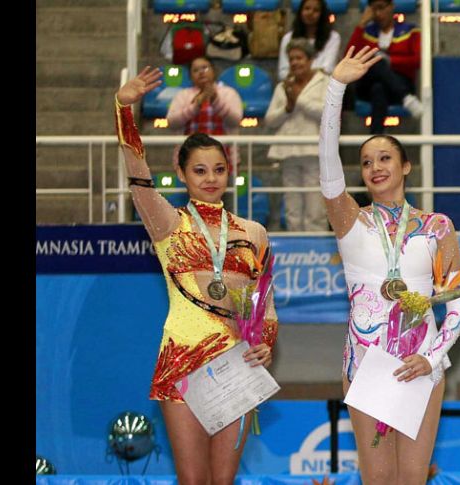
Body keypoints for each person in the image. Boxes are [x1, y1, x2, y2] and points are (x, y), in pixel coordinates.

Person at [115, 67, 278, 484]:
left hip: (236, 363)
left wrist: (265, 344)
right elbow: (137, 173)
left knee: (223, 481)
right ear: (183, 173)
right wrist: (123, 109)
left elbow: (264, 305)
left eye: (218, 169)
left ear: (230, 171)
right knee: (193, 480)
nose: (210, 179)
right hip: (182, 364)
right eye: (200, 170)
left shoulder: (253, 232)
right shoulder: (167, 223)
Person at [319, 46, 460, 484]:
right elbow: (327, 165)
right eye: (366, 162)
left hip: (423, 362)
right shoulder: (349, 220)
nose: (375, 167)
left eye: (385, 158)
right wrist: (335, 89)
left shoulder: (439, 227)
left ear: (406, 166)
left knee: (412, 477)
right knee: (378, 477)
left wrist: (431, 357)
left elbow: (455, 306)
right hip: (365, 366)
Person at [265, 39, 329, 231]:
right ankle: (295, 251)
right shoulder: (283, 86)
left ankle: (317, 253)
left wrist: (299, 100)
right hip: (288, 152)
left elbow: (328, 112)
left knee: (315, 207)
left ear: (310, 60)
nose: (295, 63)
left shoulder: (325, 83)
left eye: (299, 58)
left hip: (314, 152)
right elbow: (270, 120)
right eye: (291, 58)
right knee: (292, 208)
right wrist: (288, 107)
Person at [346, 0, 423, 133]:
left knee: (379, 88)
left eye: (381, 8)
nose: (378, 13)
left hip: (400, 82)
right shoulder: (367, 31)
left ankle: (376, 135)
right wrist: (362, 24)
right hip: (366, 85)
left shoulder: (411, 30)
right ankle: (406, 98)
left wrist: (391, 61)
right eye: (374, 10)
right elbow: (350, 57)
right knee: (377, 61)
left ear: (391, 6)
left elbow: (416, 60)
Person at [166, 56, 244, 167]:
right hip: (190, 156)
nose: (201, 73)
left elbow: (235, 121)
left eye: (205, 68)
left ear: (214, 71)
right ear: (191, 76)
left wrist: (215, 101)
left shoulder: (229, 93)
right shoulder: (183, 95)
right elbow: (172, 123)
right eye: (196, 70)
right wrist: (195, 106)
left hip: (224, 155)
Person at [277, 0, 341, 81]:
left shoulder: (333, 37)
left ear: (322, 14)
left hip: (321, 85)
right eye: (307, 8)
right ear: (301, 11)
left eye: (316, 10)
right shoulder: (287, 38)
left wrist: (300, 73)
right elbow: (283, 73)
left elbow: (328, 69)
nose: (310, 13)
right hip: (293, 84)